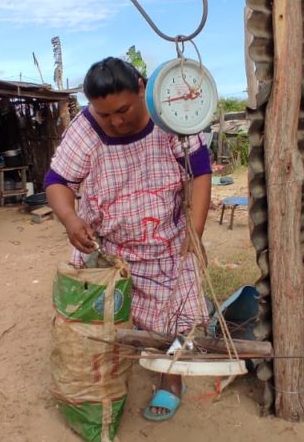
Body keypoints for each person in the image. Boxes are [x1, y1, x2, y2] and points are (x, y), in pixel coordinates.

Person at [45, 57, 212, 422]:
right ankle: (104, 376)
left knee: (175, 320)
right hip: (106, 248)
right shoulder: (85, 129)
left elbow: (200, 173)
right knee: (101, 321)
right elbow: (57, 181)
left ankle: (170, 380)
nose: (116, 121)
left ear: (141, 89)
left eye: (123, 110)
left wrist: (194, 237)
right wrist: (71, 219)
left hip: (165, 244)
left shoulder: (170, 116)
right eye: (105, 115)